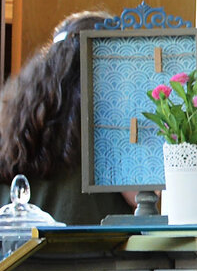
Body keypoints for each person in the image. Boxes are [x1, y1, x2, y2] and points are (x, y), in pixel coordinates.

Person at [0, 11, 124, 225]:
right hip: (98, 253)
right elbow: (144, 196)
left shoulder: (16, 118)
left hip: (19, 255)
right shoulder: (114, 119)